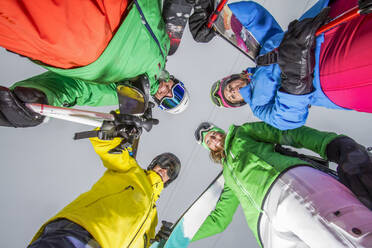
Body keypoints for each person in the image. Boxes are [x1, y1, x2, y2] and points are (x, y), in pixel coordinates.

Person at [0, 0, 195, 129]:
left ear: (159, 103)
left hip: (86, 38)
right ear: (176, 81)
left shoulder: (132, 93)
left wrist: (45, 96)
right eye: (177, 92)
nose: (168, 93)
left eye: (170, 101)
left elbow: (82, 91)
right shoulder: (167, 44)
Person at [190, 0, 372, 130]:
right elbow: (286, 120)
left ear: (234, 78)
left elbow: (254, 17)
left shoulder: (260, 56)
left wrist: (216, 15)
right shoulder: (258, 107)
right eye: (232, 96)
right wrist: (295, 80)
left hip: (325, 20)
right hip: (329, 74)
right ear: (239, 102)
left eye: (229, 87)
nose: (234, 90)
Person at [191, 121, 372, 248]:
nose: (214, 139)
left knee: (343, 236)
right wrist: (183, 236)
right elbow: (219, 219)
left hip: (287, 183)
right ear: (210, 150)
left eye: (213, 134)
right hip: (266, 228)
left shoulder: (243, 133)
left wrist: (329, 144)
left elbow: (286, 133)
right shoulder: (228, 177)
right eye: (209, 141)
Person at [26, 124, 181, 248]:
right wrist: (117, 129)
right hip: (83, 234)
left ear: (169, 180)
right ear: (153, 164)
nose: (164, 169)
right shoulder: (131, 170)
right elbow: (109, 147)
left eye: (170, 171)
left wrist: (157, 242)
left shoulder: (152, 217)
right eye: (163, 163)